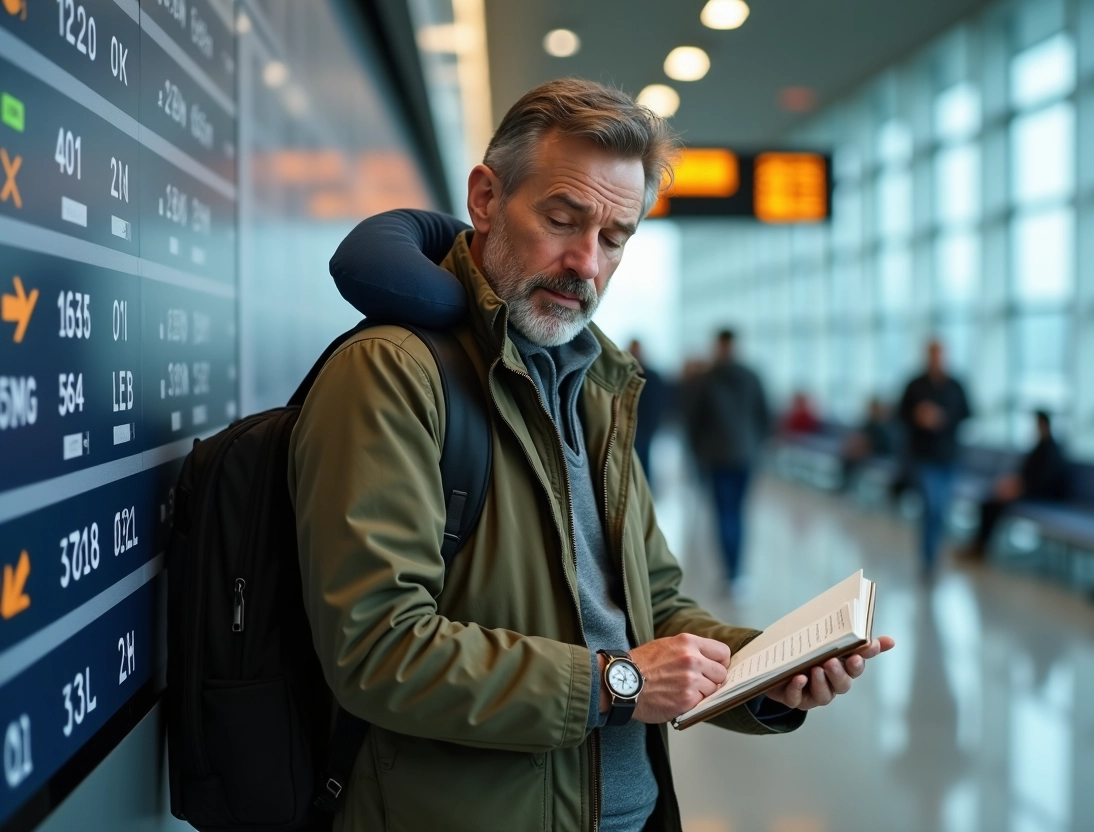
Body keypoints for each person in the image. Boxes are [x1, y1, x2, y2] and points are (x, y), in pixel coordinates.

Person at [290, 78, 894, 832]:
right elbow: (377, 650)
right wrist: (620, 682)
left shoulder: (593, 386)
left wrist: (768, 673)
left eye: (615, 237)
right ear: (485, 197)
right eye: (562, 219)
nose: (586, 262)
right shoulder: (394, 373)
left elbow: (654, 605)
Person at [685, 330, 771, 595]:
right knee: (737, 512)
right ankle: (736, 572)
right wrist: (756, 446)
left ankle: (731, 573)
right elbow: (765, 416)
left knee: (725, 513)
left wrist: (699, 453)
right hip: (745, 455)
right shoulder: (752, 376)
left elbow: (694, 421)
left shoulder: (707, 379)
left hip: (718, 456)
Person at [898, 339, 971, 575]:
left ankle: (935, 552)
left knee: (942, 509)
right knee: (931, 505)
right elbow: (899, 415)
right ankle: (928, 557)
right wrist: (918, 416)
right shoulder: (915, 385)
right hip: (923, 456)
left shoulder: (956, 385)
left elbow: (968, 413)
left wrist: (944, 418)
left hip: (949, 456)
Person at [960, 410, 1070, 560]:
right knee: (989, 501)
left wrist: (1019, 488)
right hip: (1030, 489)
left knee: (993, 505)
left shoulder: (1051, 449)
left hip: (1042, 494)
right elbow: (1027, 473)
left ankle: (981, 548)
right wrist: (1012, 483)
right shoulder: (1040, 446)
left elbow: (1043, 480)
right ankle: (979, 546)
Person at [628, 338, 671, 482]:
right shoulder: (625, 374)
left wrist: (655, 423)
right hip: (629, 424)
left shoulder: (652, 376)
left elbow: (658, 401)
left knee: (643, 459)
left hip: (645, 426)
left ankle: (644, 487)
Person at [841, 397, 897, 488]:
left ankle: (847, 482)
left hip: (880, 451)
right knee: (852, 449)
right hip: (868, 449)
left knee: (855, 451)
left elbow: (879, 443)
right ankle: (847, 481)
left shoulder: (882, 425)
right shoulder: (870, 422)